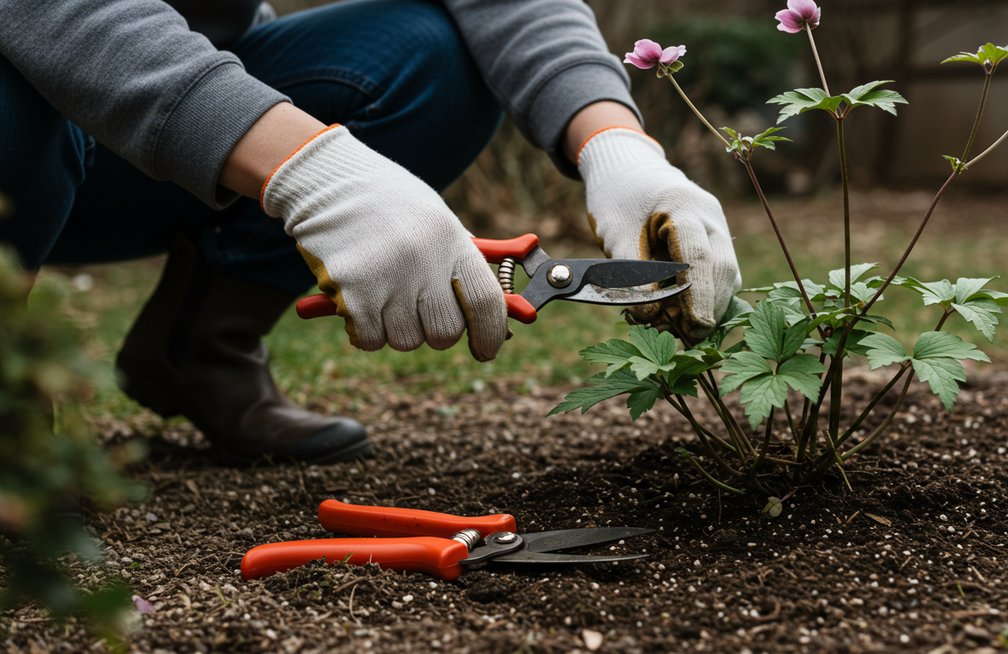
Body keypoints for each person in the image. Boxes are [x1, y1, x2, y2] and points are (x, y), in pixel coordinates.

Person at [0, 0, 741, 465]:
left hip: (163, 154)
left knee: (423, 55)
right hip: (25, 140)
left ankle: (198, 348)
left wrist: (615, 147)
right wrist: (307, 168)